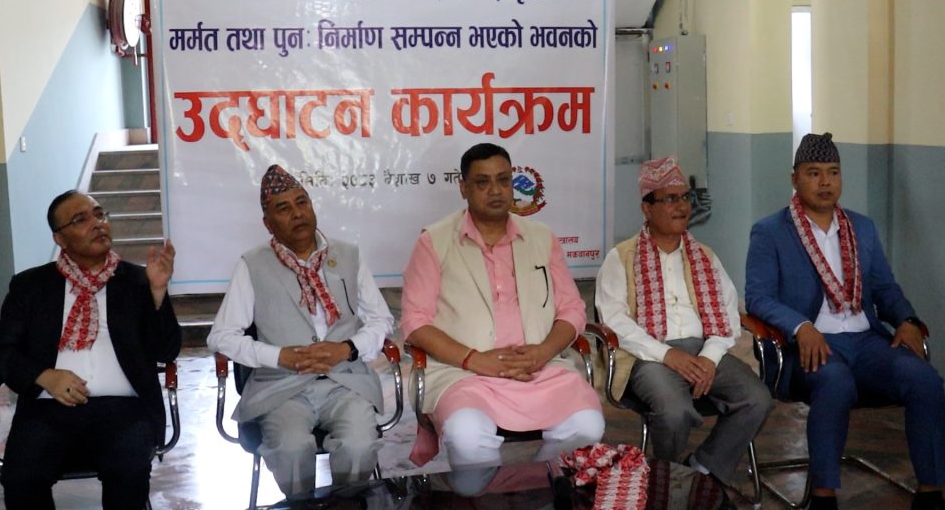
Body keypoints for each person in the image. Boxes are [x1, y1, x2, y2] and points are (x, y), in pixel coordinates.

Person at [745, 132, 945, 510]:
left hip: (867, 341)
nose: (825, 182)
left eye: (833, 172)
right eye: (814, 173)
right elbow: (758, 297)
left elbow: (884, 287)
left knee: (925, 380)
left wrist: (907, 319)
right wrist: (801, 327)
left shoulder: (861, 228)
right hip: (812, 345)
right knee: (834, 382)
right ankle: (824, 498)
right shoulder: (771, 232)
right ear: (794, 179)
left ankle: (931, 491)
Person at [401, 143, 605, 470]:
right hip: (464, 374)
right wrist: (474, 359)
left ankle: (542, 483)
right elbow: (415, 322)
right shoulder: (434, 241)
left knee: (588, 426)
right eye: (482, 182)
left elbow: (572, 309)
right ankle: (482, 495)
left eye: (503, 180)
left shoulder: (542, 237)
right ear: (463, 188)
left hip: (540, 368)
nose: (495, 191)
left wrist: (542, 352)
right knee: (467, 436)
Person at [0, 190, 181, 510]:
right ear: (60, 238)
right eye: (81, 219)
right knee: (21, 479)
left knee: (128, 474)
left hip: (125, 409)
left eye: (100, 214)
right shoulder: (31, 286)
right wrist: (44, 376)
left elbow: (166, 351)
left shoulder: (136, 280)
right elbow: (1, 351)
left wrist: (157, 293)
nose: (97, 224)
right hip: (48, 407)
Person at [207, 165, 394, 496]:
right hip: (282, 386)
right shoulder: (252, 264)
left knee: (359, 444)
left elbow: (381, 320)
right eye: (284, 208)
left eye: (302, 202)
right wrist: (279, 356)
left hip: (346, 381)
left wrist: (347, 348)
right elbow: (221, 337)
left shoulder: (348, 256)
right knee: (291, 448)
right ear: (268, 223)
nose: (297, 213)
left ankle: (347, 504)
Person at [595, 156, 773, 487]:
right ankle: (667, 481)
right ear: (647, 208)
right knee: (674, 411)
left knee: (757, 398)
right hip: (647, 357)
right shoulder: (621, 257)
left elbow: (727, 313)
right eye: (669, 199)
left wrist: (709, 357)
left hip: (704, 351)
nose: (681, 206)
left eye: (685, 198)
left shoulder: (705, 255)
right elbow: (615, 322)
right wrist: (667, 354)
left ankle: (703, 468)